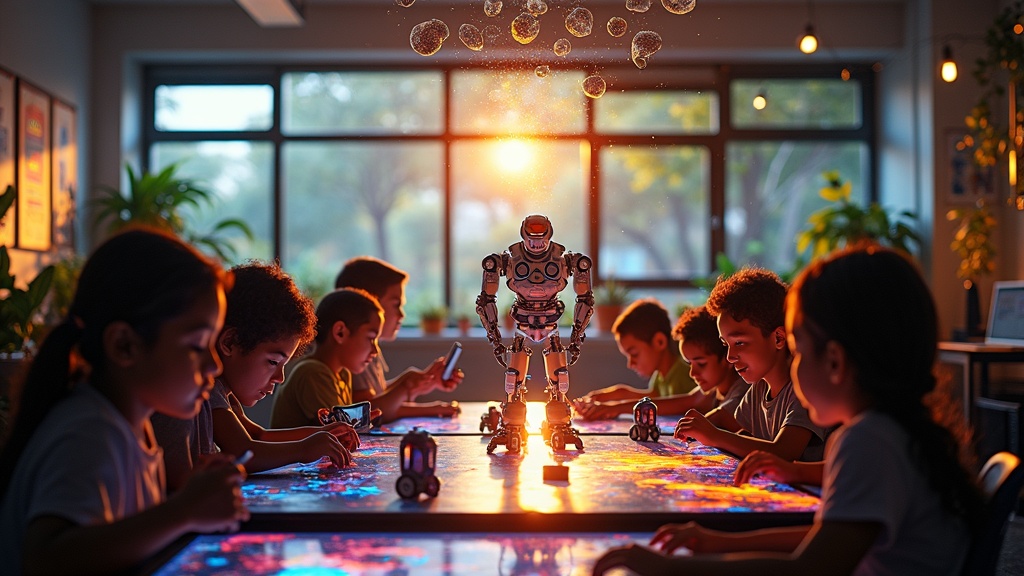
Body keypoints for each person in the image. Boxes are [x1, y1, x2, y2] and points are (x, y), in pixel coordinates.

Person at [593, 244, 985, 575]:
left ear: (834, 361)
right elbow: (824, 535)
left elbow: (808, 569)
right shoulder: (895, 430)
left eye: (798, 347)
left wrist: (672, 567)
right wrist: (719, 541)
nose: (793, 363)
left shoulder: (870, 441)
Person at [0, 228, 249, 574]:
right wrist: (183, 511)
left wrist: (187, 501)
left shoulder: (132, 428)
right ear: (124, 345)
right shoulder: (90, 430)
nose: (215, 365)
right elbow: (46, 558)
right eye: (196, 345)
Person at [153, 261, 359, 486]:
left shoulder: (222, 391)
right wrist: (304, 448)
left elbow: (259, 435)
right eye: (272, 361)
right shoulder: (207, 386)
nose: (280, 377)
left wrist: (320, 434)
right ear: (230, 342)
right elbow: (244, 449)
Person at [674, 267, 830, 462]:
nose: (730, 356)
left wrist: (714, 435)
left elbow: (784, 451)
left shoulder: (802, 388)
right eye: (726, 345)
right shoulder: (759, 388)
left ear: (778, 338)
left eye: (739, 343)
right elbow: (739, 432)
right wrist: (699, 429)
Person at [334, 257, 463, 423]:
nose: (402, 315)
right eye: (396, 305)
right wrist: (433, 407)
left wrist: (422, 382)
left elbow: (379, 396)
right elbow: (371, 412)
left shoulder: (370, 347)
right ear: (369, 302)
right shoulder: (354, 351)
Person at [270, 287, 384, 429]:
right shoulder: (313, 373)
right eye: (371, 339)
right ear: (340, 332)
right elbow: (337, 431)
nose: (375, 350)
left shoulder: (343, 374)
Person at [572, 298, 704, 420]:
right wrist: (605, 397)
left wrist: (615, 408)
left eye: (634, 354)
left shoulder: (686, 371)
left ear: (659, 342)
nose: (630, 364)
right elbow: (654, 396)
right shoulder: (660, 375)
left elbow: (681, 403)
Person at [671, 305, 747, 431]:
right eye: (689, 363)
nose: (693, 373)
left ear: (726, 358)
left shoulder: (745, 390)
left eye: (701, 364)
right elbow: (685, 401)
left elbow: (722, 416)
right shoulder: (714, 390)